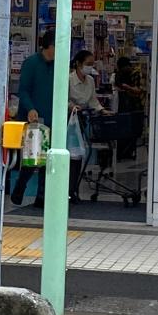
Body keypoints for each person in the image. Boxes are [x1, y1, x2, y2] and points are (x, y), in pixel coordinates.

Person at [11, 30, 55, 208]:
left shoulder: (59, 65)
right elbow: (23, 90)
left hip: (53, 118)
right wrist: (30, 108)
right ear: (50, 46)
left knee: (49, 158)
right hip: (35, 119)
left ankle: (42, 196)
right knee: (33, 157)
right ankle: (20, 186)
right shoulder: (31, 63)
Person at [68, 50, 103, 202]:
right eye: (88, 64)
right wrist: (71, 106)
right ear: (78, 63)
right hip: (69, 121)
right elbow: (62, 98)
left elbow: (93, 101)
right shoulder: (68, 80)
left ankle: (73, 189)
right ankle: (69, 190)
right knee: (70, 155)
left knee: (78, 155)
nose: (90, 67)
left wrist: (102, 110)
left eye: (92, 64)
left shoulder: (90, 81)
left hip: (81, 120)